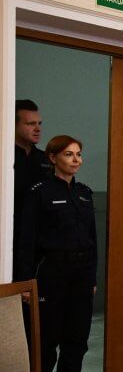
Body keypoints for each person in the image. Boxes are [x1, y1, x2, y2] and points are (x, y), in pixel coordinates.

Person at [15, 135, 97, 372]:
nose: (76, 160)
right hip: (52, 273)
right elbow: (26, 241)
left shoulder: (84, 194)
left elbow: (92, 240)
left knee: (77, 337)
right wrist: (25, 283)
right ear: (53, 158)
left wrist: (92, 278)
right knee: (47, 338)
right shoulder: (40, 192)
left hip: (81, 274)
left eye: (78, 154)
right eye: (68, 154)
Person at [13, 99, 51, 275]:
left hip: (40, 239)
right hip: (11, 233)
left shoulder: (45, 159)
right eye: (30, 124)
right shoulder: (5, 156)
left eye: (39, 124)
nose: (37, 129)